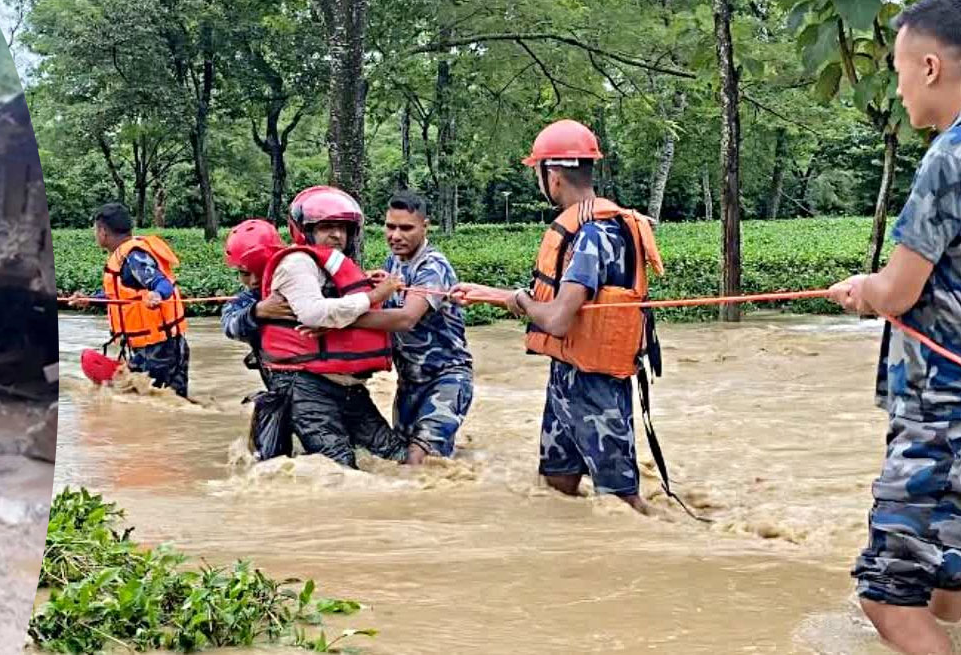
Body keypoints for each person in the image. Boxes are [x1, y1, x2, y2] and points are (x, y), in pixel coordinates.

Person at [826, 0, 961, 655]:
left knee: (889, 594)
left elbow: (897, 291)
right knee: (946, 580)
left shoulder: (957, 154)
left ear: (929, 67)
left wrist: (863, 289)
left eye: (897, 71)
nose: (897, 90)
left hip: (949, 418)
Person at [453, 120, 665, 515]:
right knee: (557, 486)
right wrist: (491, 295)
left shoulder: (593, 235)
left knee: (621, 503)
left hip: (596, 386)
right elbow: (558, 304)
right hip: (567, 377)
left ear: (552, 176)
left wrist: (517, 299)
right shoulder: (591, 228)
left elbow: (558, 320)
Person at [258, 186, 409, 469]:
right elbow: (314, 313)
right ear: (304, 230)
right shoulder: (296, 263)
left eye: (342, 228)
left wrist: (368, 284)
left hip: (346, 386)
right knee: (340, 468)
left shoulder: (330, 265)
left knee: (397, 455)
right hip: (306, 386)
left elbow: (338, 303)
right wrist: (374, 296)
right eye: (326, 227)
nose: (337, 235)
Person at [341, 190, 474, 464]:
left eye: (406, 228)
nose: (396, 235)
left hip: (446, 379)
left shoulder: (432, 266)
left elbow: (406, 318)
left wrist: (341, 317)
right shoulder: (394, 263)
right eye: (390, 227)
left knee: (418, 460)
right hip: (409, 383)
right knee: (403, 460)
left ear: (425, 226)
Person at [69, 203, 189, 398]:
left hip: (160, 348)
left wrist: (157, 295)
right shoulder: (125, 256)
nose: (95, 234)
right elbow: (121, 295)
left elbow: (162, 283)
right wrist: (90, 299)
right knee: (163, 402)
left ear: (103, 232)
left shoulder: (135, 257)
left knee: (155, 400)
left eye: (95, 230)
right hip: (155, 346)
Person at [220, 218, 294, 387]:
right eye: (245, 273)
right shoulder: (246, 301)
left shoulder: (302, 282)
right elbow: (229, 325)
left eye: (261, 270)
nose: (253, 281)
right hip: (279, 385)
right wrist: (257, 312)